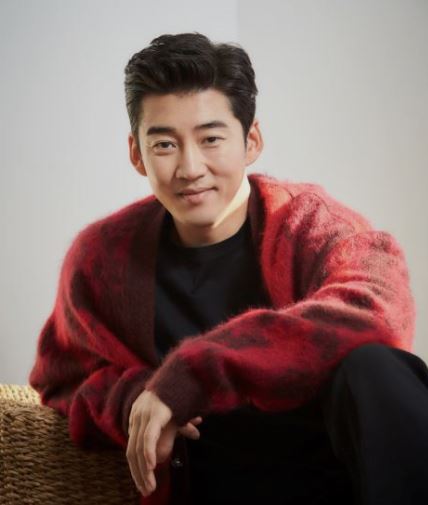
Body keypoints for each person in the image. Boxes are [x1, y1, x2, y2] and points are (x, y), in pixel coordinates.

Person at [28, 32, 427, 505]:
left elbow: (378, 314)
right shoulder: (100, 258)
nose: (190, 167)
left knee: (376, 365)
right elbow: (61, 381)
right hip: (212, 487)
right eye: (165, 144)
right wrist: (137, 397)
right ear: (137, 154)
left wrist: (191, 375)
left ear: (251, 140)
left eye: (211, 139)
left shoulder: (315, 226)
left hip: (341, 481)